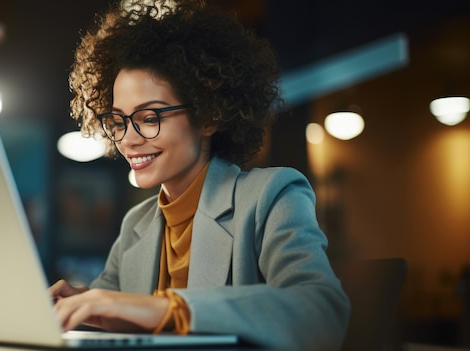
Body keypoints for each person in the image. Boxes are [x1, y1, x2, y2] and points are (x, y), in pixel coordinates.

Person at [49, 0, 351, 349]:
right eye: (118, 121)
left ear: (209, 116)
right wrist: (80, 304)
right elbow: (113, 314)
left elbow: (321, 312)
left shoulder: (271, 196)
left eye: (150, 118)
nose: (128, 140)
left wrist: (168, 309)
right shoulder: (137, 225)